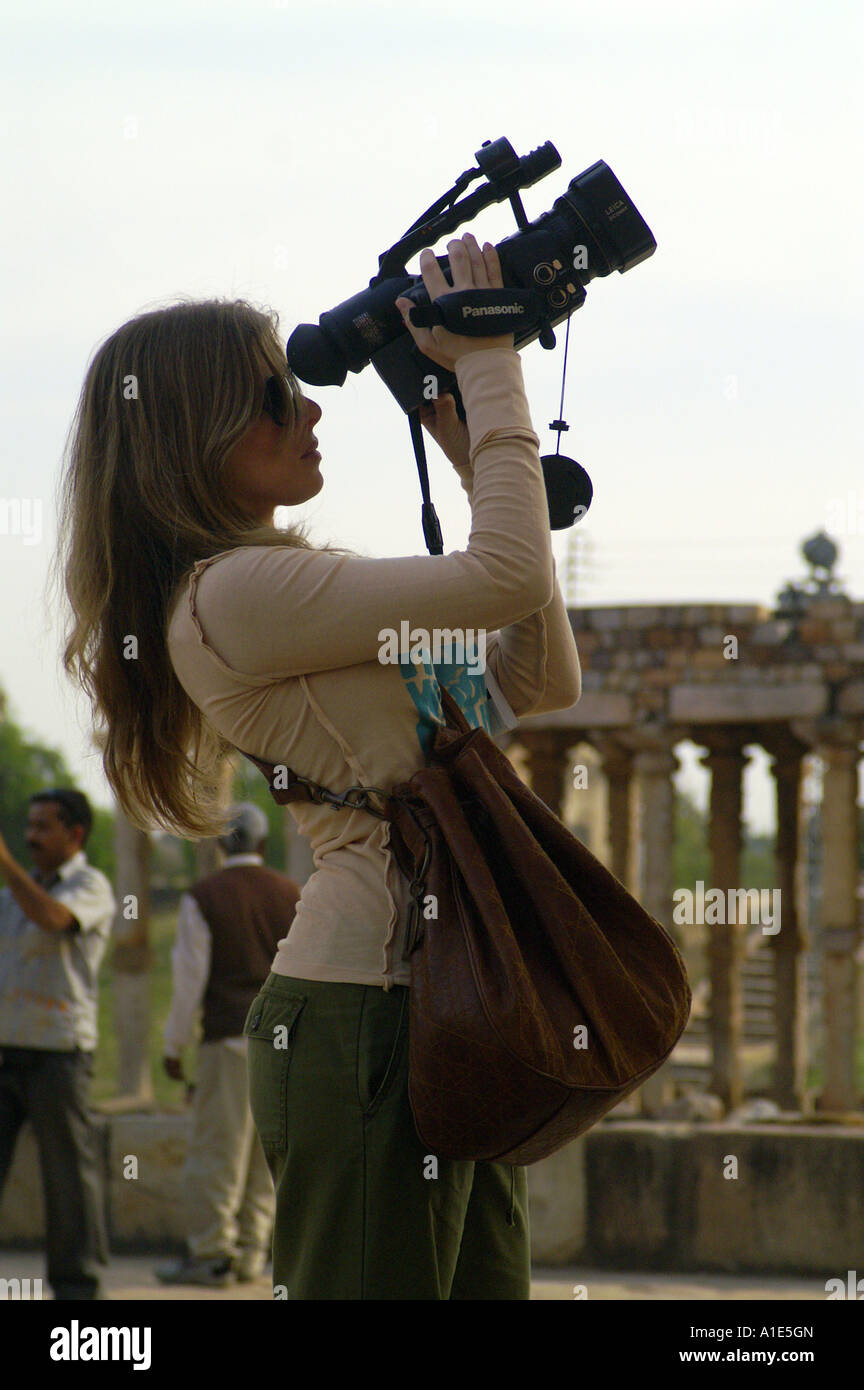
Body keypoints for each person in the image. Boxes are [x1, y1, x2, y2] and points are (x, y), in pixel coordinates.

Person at [56, 231, 581, 1299]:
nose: (312, 410)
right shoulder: (231, 597)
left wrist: (474, 448)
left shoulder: (298, 588)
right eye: (273, 396)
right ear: (190, 436)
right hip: (361, 1013)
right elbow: (506, 570)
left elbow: (535, 675)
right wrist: (489, 362)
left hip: (439, 997)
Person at [156, 802, 300, 1287]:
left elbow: (188, 982)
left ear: (220, 845)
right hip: (282, 1047)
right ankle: (251, 1252)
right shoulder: (291, 894)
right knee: (264, 1154)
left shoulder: (204, 896)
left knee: (217, 1151)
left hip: (226, 1040)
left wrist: (174, 1047)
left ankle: (211, 1253)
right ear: (261, 844)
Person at [0, 789, 115, 1300]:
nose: (30, 837)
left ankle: (75, 1289)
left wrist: (4, 862)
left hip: (59, 1051)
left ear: (76, 834)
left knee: (67, 1175)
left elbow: (51, 919)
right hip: (7, 1045)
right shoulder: (9, 897)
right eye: (28, 826)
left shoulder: (91, 886)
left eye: (43, 827)